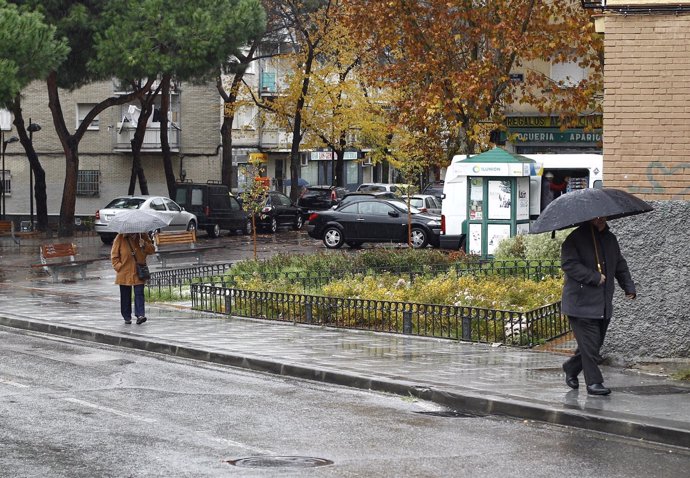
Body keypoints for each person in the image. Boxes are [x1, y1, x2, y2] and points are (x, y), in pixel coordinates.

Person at [560, 217, 637, 396]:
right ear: (589, 218)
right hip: (580, 304)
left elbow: (620, 265)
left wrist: (628, 286)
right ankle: (594, 383)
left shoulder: (610, 239)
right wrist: (594, 277)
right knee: (590, 346)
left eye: (603, 217)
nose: (600, 220)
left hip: (602, 305)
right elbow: (569, 264)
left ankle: (571, 367)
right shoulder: (575, 238)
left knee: (594, 345)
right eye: (596, 218)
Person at [111, 232, 155, 325]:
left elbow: (152, 250)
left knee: (139, 293)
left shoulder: (143, 236)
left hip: (139, 271)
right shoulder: (120, 237)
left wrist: (144, 245)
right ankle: (126, 316)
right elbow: (114, 255)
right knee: (125, 296)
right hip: (124, 272)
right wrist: (119, 266)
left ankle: (140, 315)